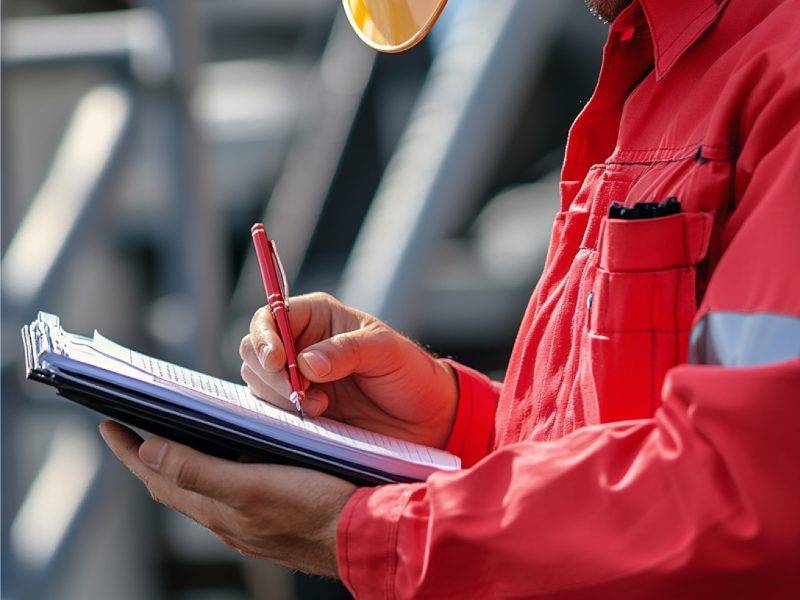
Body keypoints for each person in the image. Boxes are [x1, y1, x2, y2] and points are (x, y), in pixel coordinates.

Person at [100, 0, 800, 597]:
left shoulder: (776, 71)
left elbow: (748, 501)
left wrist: (364, 532)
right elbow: (628, 448)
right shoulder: (665, 68)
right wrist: (452, 428)